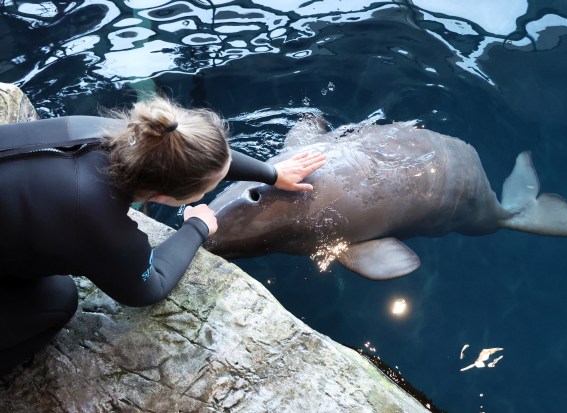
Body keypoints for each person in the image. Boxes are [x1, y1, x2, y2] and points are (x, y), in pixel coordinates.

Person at [0, 96, 326, 377]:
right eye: (206, 188)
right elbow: (147, 289)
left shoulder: (108, 131)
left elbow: (195, 154)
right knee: (58, 299)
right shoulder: (103, 228)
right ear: (165, 198)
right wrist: (197, 227)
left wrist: (272, 173)